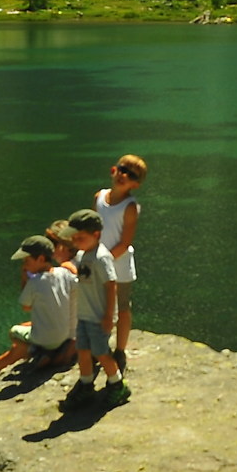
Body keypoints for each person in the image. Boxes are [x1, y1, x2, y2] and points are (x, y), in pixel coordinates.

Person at [0, 234, 75, 387]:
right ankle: (37, 354)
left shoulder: (35, 282)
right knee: (27, 327)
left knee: (14, 332)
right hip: (65, 334)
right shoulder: (64, 273)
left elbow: (26, 306)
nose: (24, 265)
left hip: (46, 339)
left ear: (40, 259)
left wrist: (24, 279)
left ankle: (34, 355)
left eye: (27, 261)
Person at [62, 209, 127, 408]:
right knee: (82, 350)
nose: (75, 241)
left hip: (98, 316)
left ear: (96, 235)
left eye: (80, 237)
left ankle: (117, 384)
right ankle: (86, 383)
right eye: (73, 237)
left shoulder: (101, 257)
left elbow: (111, 285)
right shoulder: (83, 255)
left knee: (101, 352)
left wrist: (109, 315)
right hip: (84, 314)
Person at [96, 155, 144, 362]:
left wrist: (103, 259)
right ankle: (100, 345)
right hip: (98, 261)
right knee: (99, 305)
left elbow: (124, 242)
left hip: (120, 263)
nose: (124, 175)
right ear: (113, 170)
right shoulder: (99, 197)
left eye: (131, 175)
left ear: (136, 184)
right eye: (122, 169)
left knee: (122, 307)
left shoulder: (129, 207)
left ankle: (120, 350)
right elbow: (93, 230)